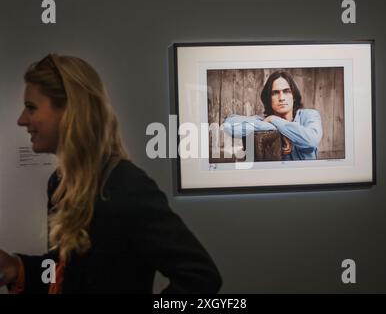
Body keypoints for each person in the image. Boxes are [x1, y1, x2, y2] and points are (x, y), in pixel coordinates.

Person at [0, 54, 222, 294]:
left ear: (70, 110)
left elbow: (200, 276)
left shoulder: (125, 185)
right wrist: (16, 268)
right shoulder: (59, 183)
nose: (22, 120)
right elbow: (66, 272)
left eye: (31, 107)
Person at [223, 70, 323, 160]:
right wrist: (276, 128)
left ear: (294, 96)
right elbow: (228, 125)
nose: (281, 97)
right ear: (268, 99)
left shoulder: (309, 115)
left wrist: (275, 120)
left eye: (286, 91)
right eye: (275, 93)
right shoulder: (264, 119)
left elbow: (311, 140)